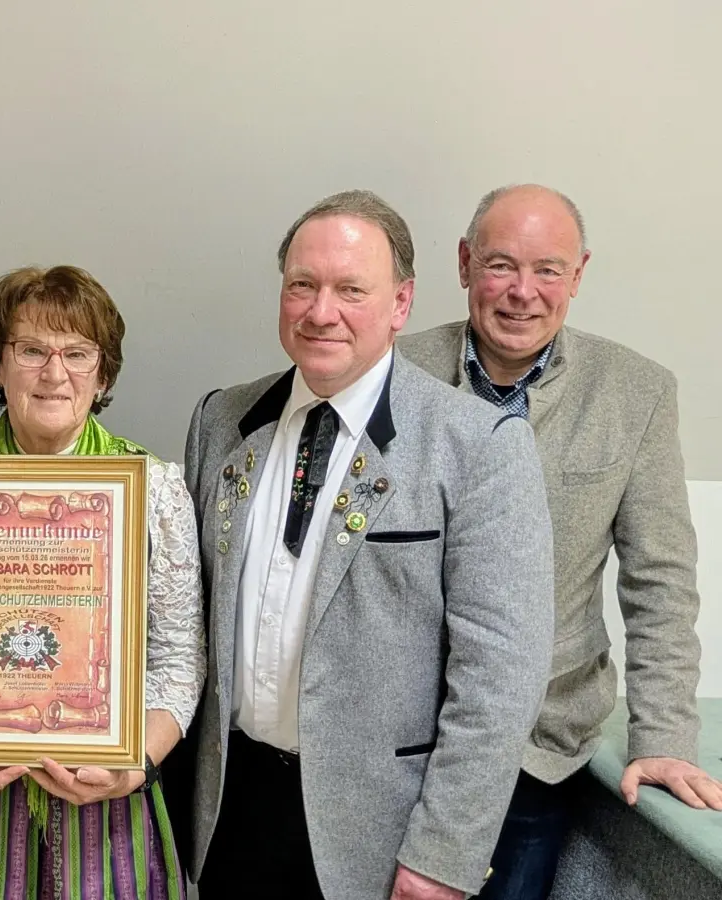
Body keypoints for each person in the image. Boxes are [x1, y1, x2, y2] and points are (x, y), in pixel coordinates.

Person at [173, 190, 556, 900]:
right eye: (303, 286)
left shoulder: (477, 446)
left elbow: (501, 681)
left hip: (379, 835)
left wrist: (442, 855)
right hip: (229, 809)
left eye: (352, 289)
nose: (322, 312)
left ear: (401, 304)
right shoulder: (222, 419)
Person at [397, 184, 722, 899]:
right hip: (395, 738)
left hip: (536, 749)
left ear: (578, 275)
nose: (522, 292)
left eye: (548, 270)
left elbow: (660, 582)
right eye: (501, 265)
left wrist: (664, 738)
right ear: (463, 264)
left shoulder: (636, 393)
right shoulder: (394, 371)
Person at [0, 265, 205, 899]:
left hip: (103, 809)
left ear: (103, 374)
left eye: (78, 353)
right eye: (31, 350)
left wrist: (133, 767)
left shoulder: (153, 489)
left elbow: (179, 658)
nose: (55, 373)